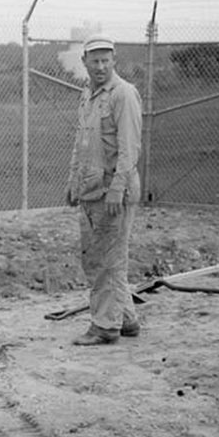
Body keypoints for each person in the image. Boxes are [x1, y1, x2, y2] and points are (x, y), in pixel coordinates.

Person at [65, 35, 143, 346]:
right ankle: (125, 318)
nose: (100, 67)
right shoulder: (88, 96)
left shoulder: (123, 95)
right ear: (84, 62)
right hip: (90, 191)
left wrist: (117, 189)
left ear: (113, 61)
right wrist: (73, 181)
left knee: (107, 261)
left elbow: (129, 147)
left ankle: (104, 327)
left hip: (113, 193)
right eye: (94, 61)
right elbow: (80, 145)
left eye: (105, 61)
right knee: (101, 259)